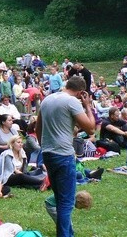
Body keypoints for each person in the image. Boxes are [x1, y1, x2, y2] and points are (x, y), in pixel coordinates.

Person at [36, 75, 95, 237]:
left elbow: (37, 129)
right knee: (66, 203)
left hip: (48, 154)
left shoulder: (47, 100)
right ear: (81, 92)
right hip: (63, 155)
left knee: (60, 197)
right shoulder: (72, 101)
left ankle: (69, 233)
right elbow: (90, 129)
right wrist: (87, 106)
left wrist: (46, 146)